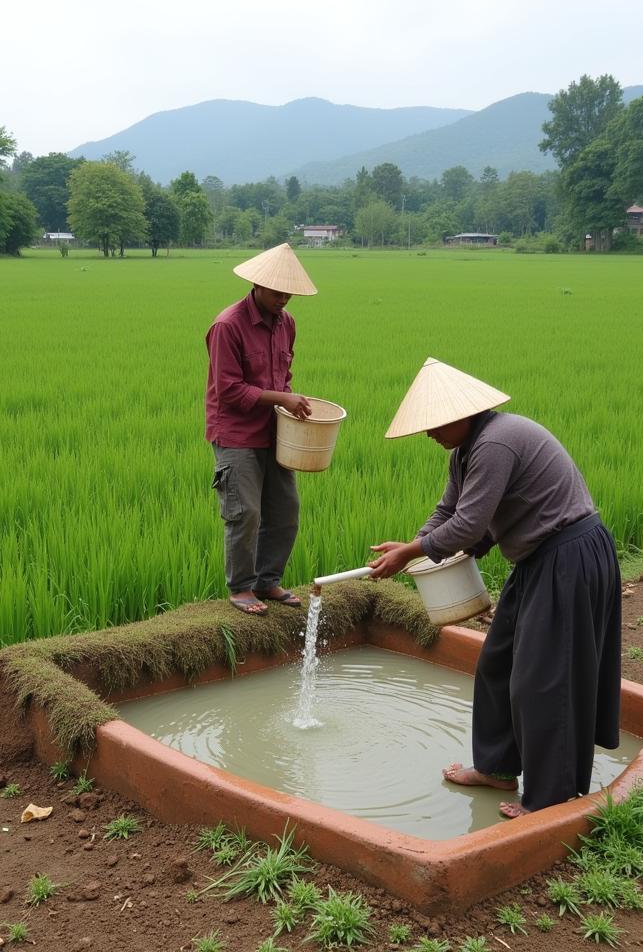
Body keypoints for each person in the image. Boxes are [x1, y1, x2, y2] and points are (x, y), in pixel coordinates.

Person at [368, 357, 621, 818]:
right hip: (538, 560)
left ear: (461, 415)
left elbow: (468, 526)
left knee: (544, 679)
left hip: (567, 557)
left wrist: (411, 552)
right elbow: (448, 512)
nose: (430, 434)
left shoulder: (497, 443)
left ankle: (550, 799)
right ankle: (498, 767)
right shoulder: (464, 452)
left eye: (434, 425)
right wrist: (415, 544)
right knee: (498, 661)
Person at [205, 243, 317, 615]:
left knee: (286, 511)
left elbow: (283, 375)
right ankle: (240, 588)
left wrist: (288, 401)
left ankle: (268, 582)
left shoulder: (287, 324)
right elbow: (230, 391)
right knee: (245, 512)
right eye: (277, 292)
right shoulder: (228, 326)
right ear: (257, 284)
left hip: (275, 433)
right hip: (236, 434)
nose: (283, 299)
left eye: (289, 293)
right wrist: (281, 399)